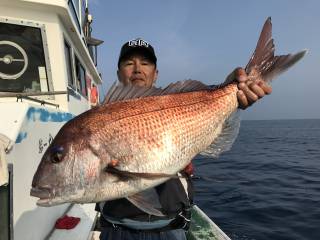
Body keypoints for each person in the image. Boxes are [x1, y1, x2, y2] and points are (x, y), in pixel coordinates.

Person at [97, 38, 272, 240]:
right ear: (119, 73)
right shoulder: (99, 119)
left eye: (145, 63)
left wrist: (234, 89)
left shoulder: (174, 103)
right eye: (129, 63)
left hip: (172, 230)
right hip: (115, 231)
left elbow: (208, 112)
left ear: (156, 74)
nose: (137, 69)